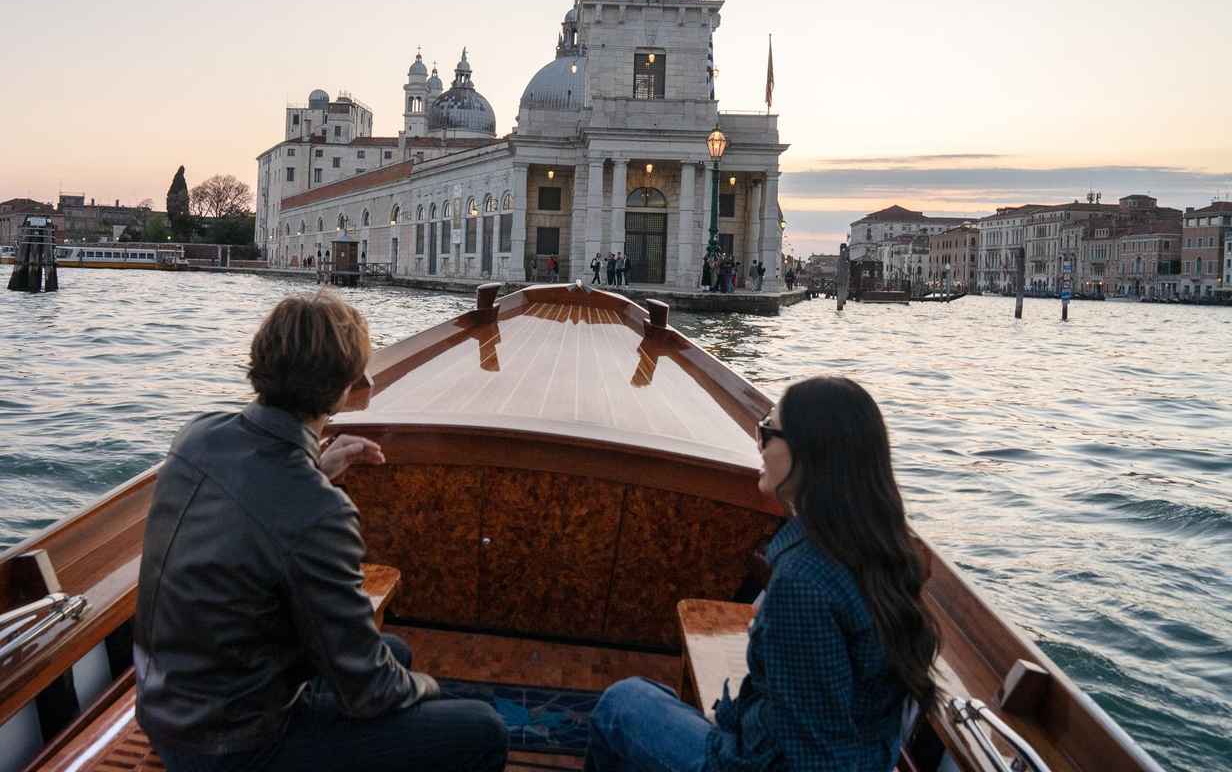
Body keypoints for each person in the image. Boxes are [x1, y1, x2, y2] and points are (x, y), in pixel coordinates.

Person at [135, 291, 508, 772]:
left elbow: (264, 497)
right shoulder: (320, 511)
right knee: (481, 729)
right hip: (235, 748)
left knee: (395, 652)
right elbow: (370, 691)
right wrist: (432, 689)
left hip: (168, 710)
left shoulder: (198, 435)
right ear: (344, 389)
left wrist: (314, 468)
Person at [585, 376, 939, 772]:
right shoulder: (883, 551)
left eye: (768, 432)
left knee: (621, 703)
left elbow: (815, 759)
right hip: (860, 756)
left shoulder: (804, 582)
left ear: (808, 453)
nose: (759, 444)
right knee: (653, 695)